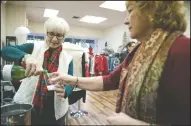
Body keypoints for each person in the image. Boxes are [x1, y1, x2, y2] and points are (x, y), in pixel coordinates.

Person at [48, 1, 190, 125]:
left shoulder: (183, 50)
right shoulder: (138, 51)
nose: (126, 20)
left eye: (130, 11)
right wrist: (71, 80)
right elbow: (109, 80)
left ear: (151, 10)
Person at [1, 17, 74, 125]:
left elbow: (71, 81)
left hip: (55, 105)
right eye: (51, 34)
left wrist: (65, 91)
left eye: (59, 35)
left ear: (64, 37)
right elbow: (5, 51)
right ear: (46, 33)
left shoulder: (68, 58)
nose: (54, 39)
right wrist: (26, 57)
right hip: (31, 101)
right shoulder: (34, 47)